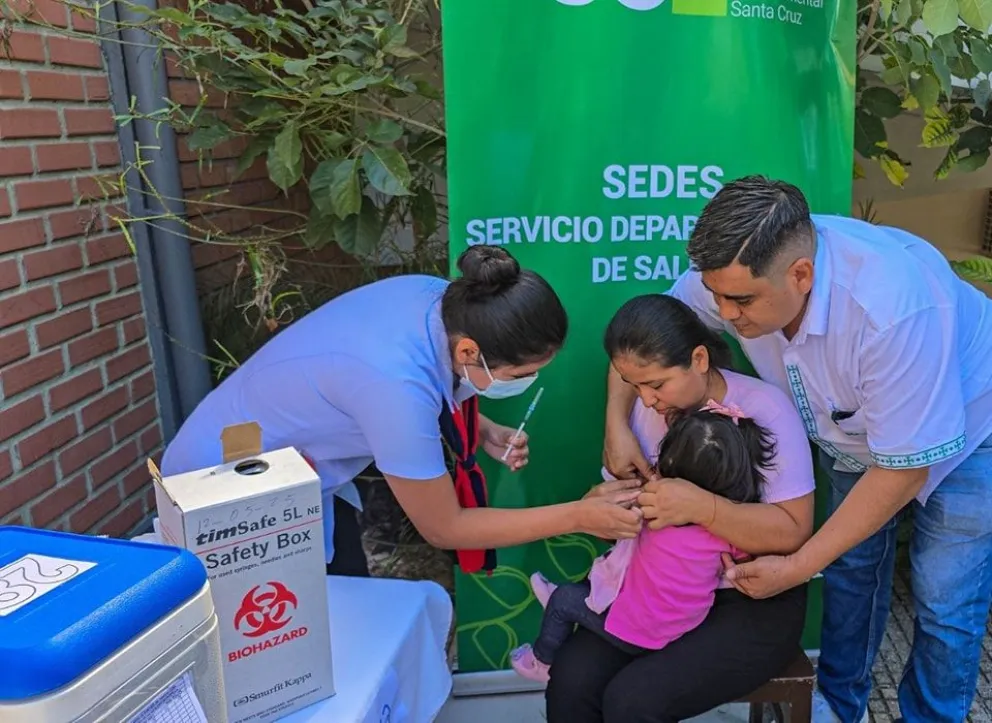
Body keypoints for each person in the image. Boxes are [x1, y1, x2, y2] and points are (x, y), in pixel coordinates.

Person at [604, 176, 992, 723]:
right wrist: (616, 424)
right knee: (853, 571)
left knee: (944, 599)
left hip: (973, 428)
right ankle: (839, 705)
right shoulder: (733, 277)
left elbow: (903, 471)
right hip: (856, 432)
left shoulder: (892, 308)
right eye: (715, 296)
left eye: (740, 301)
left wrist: (796, 566)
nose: (725, 314)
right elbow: (650, 336)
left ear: (801, 275)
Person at [162, 246, 642, 577]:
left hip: (289, 473)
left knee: (340, 600)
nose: (525, 384)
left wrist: (482, 429)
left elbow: (432, 383)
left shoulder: (441, 299)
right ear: (471, 352)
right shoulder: (392, 384)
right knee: (280, 641)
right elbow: (445, 527)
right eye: (519, 375)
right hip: (223, 487)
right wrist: (580, 516)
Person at [546, 293, 816, 723]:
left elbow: (792, 531)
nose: (648, 400)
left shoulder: (765, 410)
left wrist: (704, 507)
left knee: (634, 702)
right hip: (653, 589)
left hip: (750, 597)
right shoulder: (640, 411)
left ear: (699, 358)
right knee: (573, 680)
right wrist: (602, 509)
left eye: (656, 384)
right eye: (635, 386)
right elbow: (625, 525)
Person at [510, 403, 773, 684]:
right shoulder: (725, 525)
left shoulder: (655, 511)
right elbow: (743, 552)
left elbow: (620, 523)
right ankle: (585, 595)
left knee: (563, 601)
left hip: (641, 633)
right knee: (620, 564)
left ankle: (542, 661)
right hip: (685, 626)